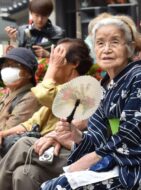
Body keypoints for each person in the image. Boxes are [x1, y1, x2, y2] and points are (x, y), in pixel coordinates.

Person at [40, 16, 141, 190]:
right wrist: (76, 135)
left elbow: (130, 134)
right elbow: (98, 138)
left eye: (115, 42)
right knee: (49, 185)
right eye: (100, 43)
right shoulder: (107, 85)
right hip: (115, 162)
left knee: (57, 187)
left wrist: (93, 157)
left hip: (140, 167)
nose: (107, 49)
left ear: (130, 48)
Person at [0, 38, 93, 190]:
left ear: (74, 64)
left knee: (23, 144)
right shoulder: (59, 88)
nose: (53, 60)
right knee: (23, 173)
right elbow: (32, 123)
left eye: (58, 57)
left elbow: (43, 94)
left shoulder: (84, 87)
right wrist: (3, 134)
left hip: (70, 151)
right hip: (46, 150)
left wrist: (51, 68)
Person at [0, 47, 40, 141]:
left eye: (16, 65)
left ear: (29, 74)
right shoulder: (8, 94)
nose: (8, 69)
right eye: (6, 65)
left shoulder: (30, 97)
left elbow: (6, 132)